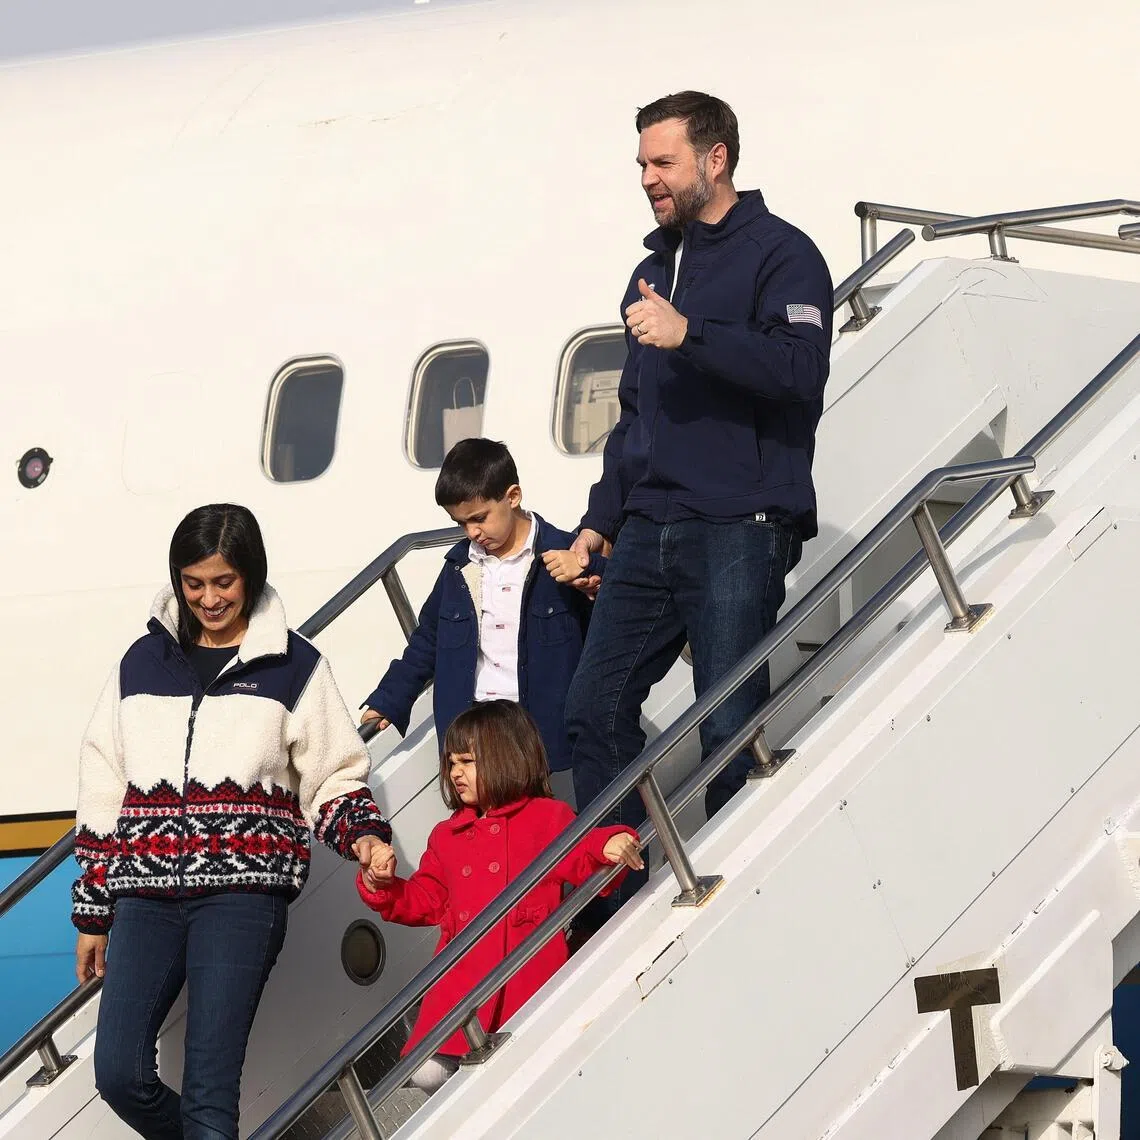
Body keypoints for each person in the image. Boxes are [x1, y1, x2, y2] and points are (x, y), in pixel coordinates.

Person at [562, 91, 833, 927]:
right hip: (650, 525)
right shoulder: (650, 270)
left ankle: (730, 902)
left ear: (716, 159)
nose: (647, 178)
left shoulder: (782, 255)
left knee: (727, 720)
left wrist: (694, 336)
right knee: (590, 709)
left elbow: (799, 374)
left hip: (739, 522)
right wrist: (600, 518)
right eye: (642, 163)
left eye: (662, 162)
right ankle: (628, 891)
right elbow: (637, 418)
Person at [72, 503, 392, 1140]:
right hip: (144, 898)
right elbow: (105, 784)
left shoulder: (293, 666)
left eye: (223, 582)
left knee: (210, 1089)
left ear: (249, 574)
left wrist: (363, 834)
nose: (209, 598)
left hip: (242, 901)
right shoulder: (142, 663)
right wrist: (92, 911)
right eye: (194, 584)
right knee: (118, 1073)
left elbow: (333, 773)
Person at [357, 701, 642, 1093]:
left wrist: (608, 841)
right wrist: (383, 884)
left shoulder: (545, 816)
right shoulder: (446, 835)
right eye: (451, 762)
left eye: (467, 761)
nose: (455, 772)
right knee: (427, 1071)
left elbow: (579, 850)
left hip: (525, 980)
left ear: (504, 757)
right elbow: (427, 898)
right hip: (461, 988)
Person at [360, 437, 606, 777]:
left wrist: (592, 573)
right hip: (473, 736)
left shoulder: (563, 554)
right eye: (461, 523)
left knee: (545, 826)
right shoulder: (460, 568)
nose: (472, 532)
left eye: (479, 518)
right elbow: (429, 639)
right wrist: (389, 698)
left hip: (541, 737)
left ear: (513, 496)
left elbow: (614, 621)